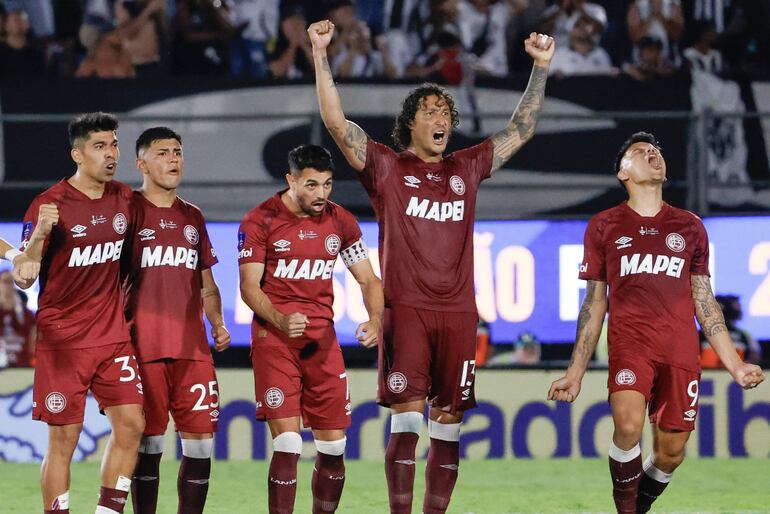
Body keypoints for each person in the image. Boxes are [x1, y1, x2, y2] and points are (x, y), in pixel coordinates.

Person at [309, 19, 554, 514]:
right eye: (430, 111)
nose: (441, 117)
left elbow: (521, 129)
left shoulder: (466, 167)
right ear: (410, 125)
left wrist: (541, 68)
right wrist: (320, 53)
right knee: (406, 423)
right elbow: (337, 124)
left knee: (449, 426)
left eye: (445, 111)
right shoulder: (386, 168)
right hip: (408, 313)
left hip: (460, 314)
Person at [547, 132, 765, 514]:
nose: (652, 153)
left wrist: (735, 365)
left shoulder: (690, 226)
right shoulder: (604, 225)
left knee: (671, 454)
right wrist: (575, 373)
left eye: (656, 150)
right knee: (628, 426)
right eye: (640, 151)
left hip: (680, 351)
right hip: (631, 345)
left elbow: (704, 300)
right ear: (623, 173)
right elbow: (595, 302)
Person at [238, 144, 383, 514]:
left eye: (327, 184)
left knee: (334, 448)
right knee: (288, 443)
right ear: (291, 180)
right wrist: (281, 319)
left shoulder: (341, 221)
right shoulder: (260, 221)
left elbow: (368, 279)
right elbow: (249, 288)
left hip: (322, 343)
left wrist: (376, 320)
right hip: (275, 341)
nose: (321, 194)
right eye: (312, 185)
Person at [19, 112, 145, 514]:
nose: (111, 154)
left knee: (132, 424)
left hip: (112, 337)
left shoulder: (125, 198)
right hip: (64, 342)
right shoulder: (49, 205)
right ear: (77, 154)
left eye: (114, 145)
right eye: (100, 146)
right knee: (64, 441)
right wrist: (39, 235)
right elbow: (24, 275)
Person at [124, 127, 231, 514]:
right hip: (143, 349)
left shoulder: (192, 216)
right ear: (141, 164)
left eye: (177, 152)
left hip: (192, 351)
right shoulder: (127, 212)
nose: (173, 159)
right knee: (148, 445)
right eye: (163, 152)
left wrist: (217, 322)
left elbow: (207, 285)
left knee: (201, 446)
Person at [700, 294, 762, 367]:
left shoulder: (744, 335)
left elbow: (754, 357)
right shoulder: (700, 334)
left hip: (735, 373)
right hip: (705, 372)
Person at [0, 269, 36, 368]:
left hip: (21, 365)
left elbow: (33, 340)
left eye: (11, 282)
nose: (8, 285)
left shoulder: (27, 314)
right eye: (5, 281)